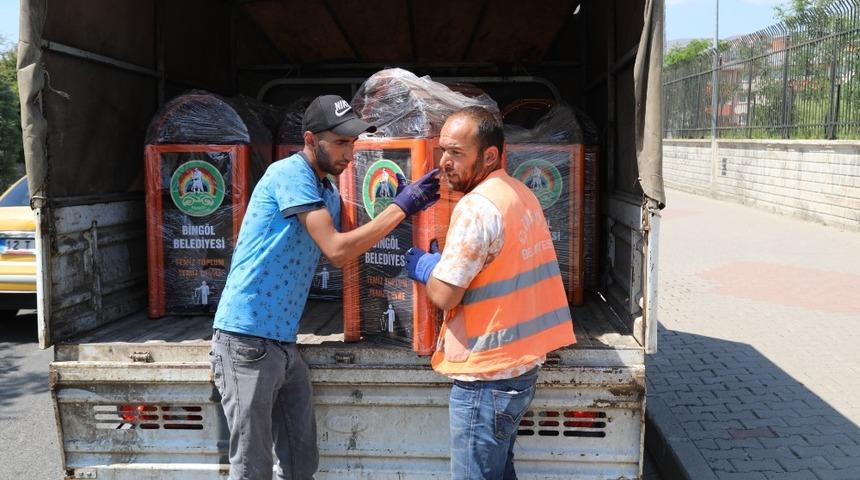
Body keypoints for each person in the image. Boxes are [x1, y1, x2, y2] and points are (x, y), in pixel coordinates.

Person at [211, 94, 440, 480]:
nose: (349, 153)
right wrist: (402, 206)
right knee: (252, 468)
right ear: (310, 139)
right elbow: (337, 250)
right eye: (340, 142)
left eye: (353, 143)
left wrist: (396, 205)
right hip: (246, 340)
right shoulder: (290, 174)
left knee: (301, 463)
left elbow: (357, 239)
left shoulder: (328, 191)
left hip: (283, 343)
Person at [405, 106, 576, 480]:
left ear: (490, 156)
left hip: (486, 376)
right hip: (519, 368)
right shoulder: (520, 194)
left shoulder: (477, 207)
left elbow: (445, 296)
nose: (444, 162)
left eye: (456, 153)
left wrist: (426, 269)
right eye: (443, 151)